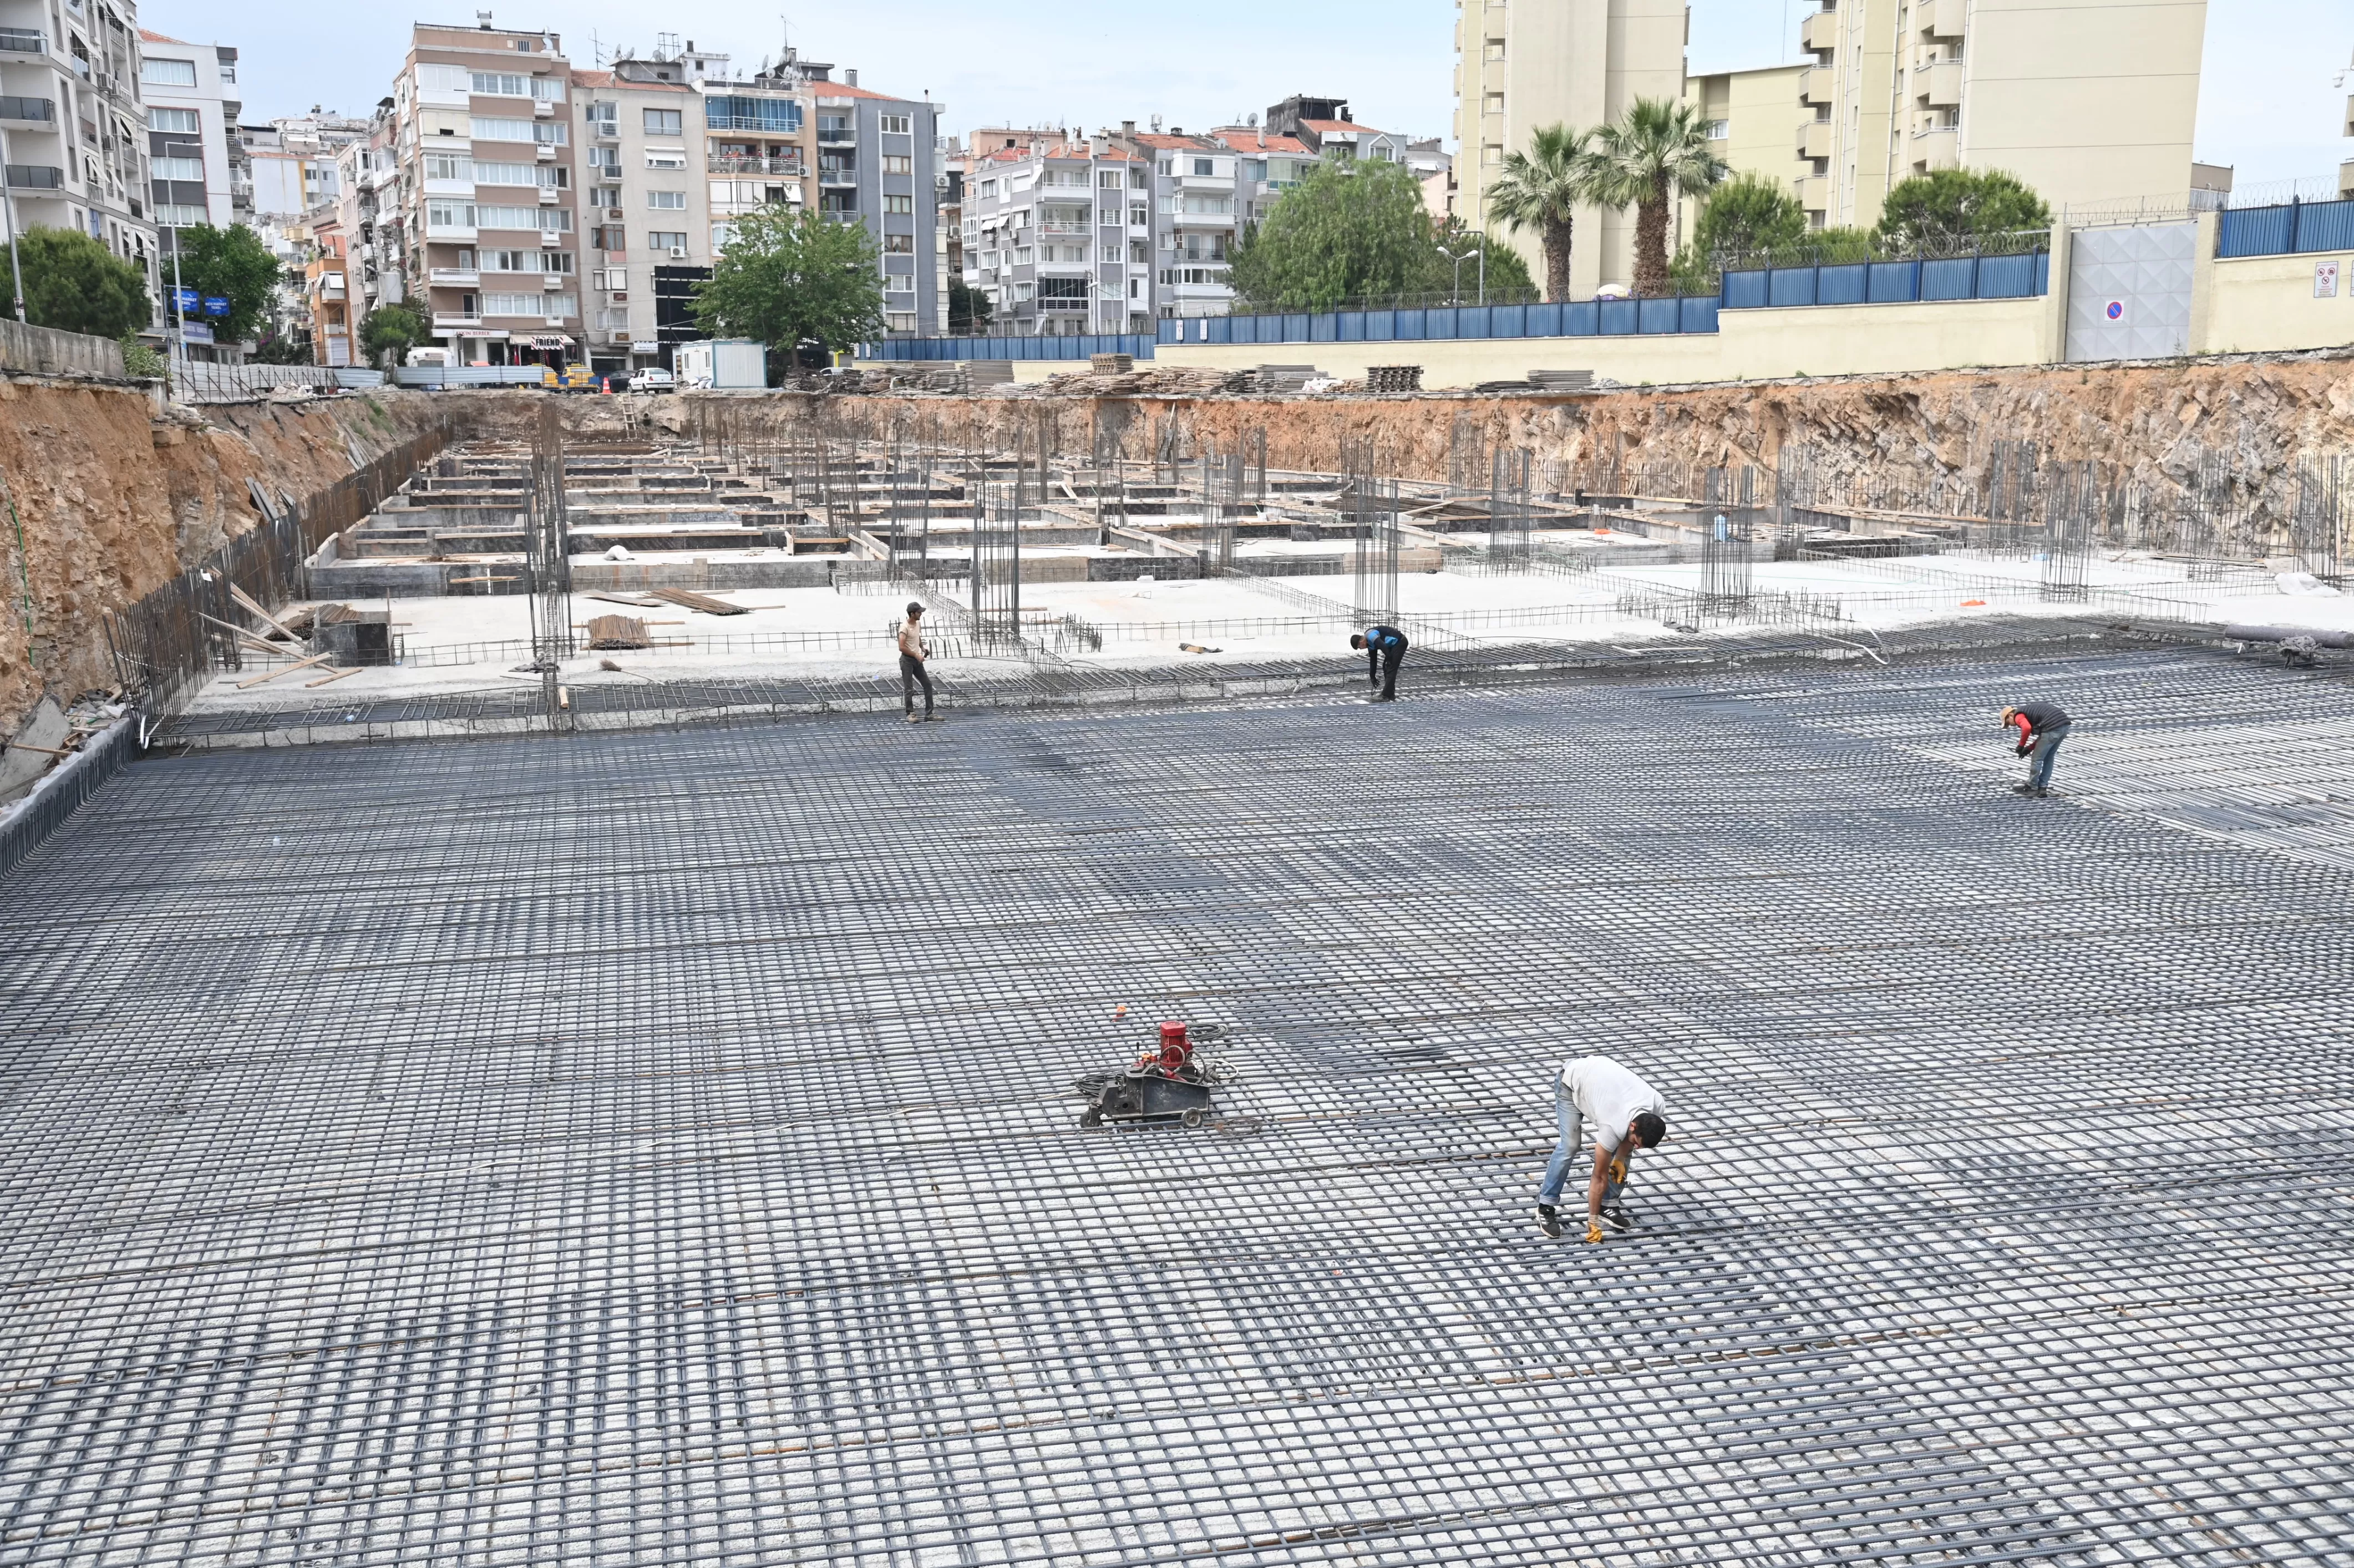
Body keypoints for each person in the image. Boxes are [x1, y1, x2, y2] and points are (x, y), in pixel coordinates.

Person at [1537, 1054, 1667, 1244]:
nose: (1638, 1147)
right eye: (1638, 1142)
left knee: (1625, 1149)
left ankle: (1608, 1204)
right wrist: (1593, 1223)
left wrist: (1621, 1158)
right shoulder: (1613, 1124)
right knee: (1570, 1146)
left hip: (1601, 1084)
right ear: (1632, 1125)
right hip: (1572, 1082)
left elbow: (1628, 1141)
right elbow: (1599, 1177)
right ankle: (1545, 1206)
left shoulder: (1656, 1104)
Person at [2001, 702, 2071, 796]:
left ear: (2010, 715)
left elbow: (2027, 728)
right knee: (2049, 757)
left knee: (2037, 759)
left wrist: (2021, 746)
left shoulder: (2018, 715)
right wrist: (2029, 748)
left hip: (2053, 728)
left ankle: (2032, 787)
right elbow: (2044, 737)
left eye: (2008, 722)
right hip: (2064, 727)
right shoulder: (2030, 713)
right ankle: (2043, 787)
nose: (2011, 726)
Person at [1350, 625, 1409, 700]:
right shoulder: (1369, 645)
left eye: (1359, 647)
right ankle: (1390, 694)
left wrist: (1390, 660)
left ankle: (1386, 695)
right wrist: (1372, 676)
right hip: (1393, 645)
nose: (1360, 649)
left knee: (1391, 668)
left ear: (1361, 642)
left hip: (1400, 642)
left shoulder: (1370, 635)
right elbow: (1373, 660)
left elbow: (1383, 647)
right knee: (1387, 668)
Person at [899, 603, 936, 723]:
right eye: (919, 612)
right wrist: (916, 655)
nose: (921, 614)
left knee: (928, 685)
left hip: (917, 660)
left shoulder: (918, 623)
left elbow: (917, 637)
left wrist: (922, 648)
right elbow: (901, 647)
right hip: (907, 661)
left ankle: (929, 714)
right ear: (912, 614)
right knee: (909, 689)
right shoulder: (904, 628)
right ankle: (910, 714)